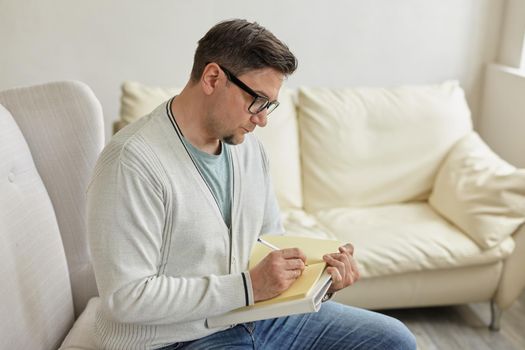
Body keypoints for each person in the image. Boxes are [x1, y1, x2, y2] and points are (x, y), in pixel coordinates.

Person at [87, 19, 416, 350]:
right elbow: (126, 298)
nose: (262, 118)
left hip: (256, 316)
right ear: (213, 78)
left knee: (393, 339)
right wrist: (247, 288)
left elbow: (268, 243)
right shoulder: (131, 163)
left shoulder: (248, 151)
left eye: (269, 105)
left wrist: (319, 280)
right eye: (257, 100)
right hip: (176, 338)